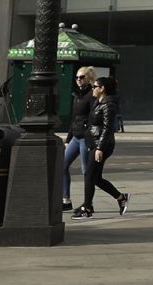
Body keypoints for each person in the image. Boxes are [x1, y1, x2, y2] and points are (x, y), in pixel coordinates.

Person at [72, 76, 129, 219]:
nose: (92, 89)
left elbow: (108, 128)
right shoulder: (98, 102)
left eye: (94, 87)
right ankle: (121, 198)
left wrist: (100, 148)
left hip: (102, 145)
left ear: (102, 88)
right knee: (95, 178)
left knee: (89, 175)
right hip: (94, 143)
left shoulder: (109, 105)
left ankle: (87, 208)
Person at [61, 66, 97, 212]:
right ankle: (66, 200)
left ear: (89, 78)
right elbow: (74, 118)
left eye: (82, 77)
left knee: (86, 171)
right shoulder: (77, 95)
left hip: (85, 138)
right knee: (62, 165)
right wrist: (68, 139)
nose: (78, 80)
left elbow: (93, 118)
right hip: (75, 137)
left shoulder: (91, 95)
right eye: (77, 77)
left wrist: (88, 133)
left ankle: (88, 204)